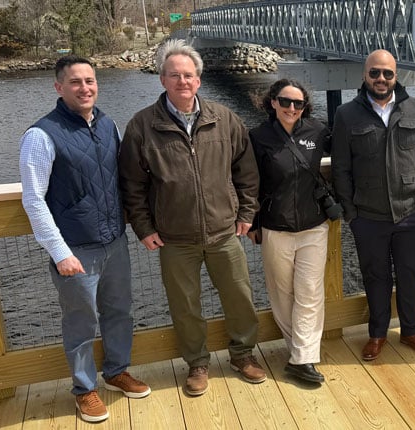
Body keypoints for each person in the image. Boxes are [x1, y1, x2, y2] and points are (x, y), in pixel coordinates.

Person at [118, 39, 264, 395]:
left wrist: (247, 212)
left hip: (224, 232)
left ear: (199, 79)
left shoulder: (224, 118)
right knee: (185, 307)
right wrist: (144, 227)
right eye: (174, 75)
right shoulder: (142, 126)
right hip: (173, 237)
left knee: (240, 297)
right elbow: (132, 185)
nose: (182, 81)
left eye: (188, 75)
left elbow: (247, 172)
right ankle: (197, 364)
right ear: (162, 79)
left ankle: (242, 354)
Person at [19, 55, 150, 423]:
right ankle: (84, 389)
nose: (85, 88)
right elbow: (32, 199)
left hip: (114, 240)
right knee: (79, 321)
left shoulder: (107, 124)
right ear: (58, 87)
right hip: (75, 248)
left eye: (90, 81)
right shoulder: (41, 135)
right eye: (75, 82)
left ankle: (116, 370)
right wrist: (59, 251)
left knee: (119, 312)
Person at [332, 49, 415, 361]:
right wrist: (352, 214)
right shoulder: (346, 115)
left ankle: (411, 330)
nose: (381, 78)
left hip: (411, 212)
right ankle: (377, 334)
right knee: (374, 277)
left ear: (396, 76)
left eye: (387, 73)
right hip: (368, 216)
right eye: (375, 73)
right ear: (365, 75)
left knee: (411, 274)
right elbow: (341, 168)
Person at [248, 79, 331, 384]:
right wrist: (254, 223)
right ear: (273, 102)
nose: (292, 109)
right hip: (275, 227)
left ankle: (303, 358)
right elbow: (250, 183)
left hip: (313, 226)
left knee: (310, 292)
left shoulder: (318, 131)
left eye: (298, 104)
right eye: (285, 102)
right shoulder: (258, 137)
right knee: (282, 294)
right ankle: (296, 350)